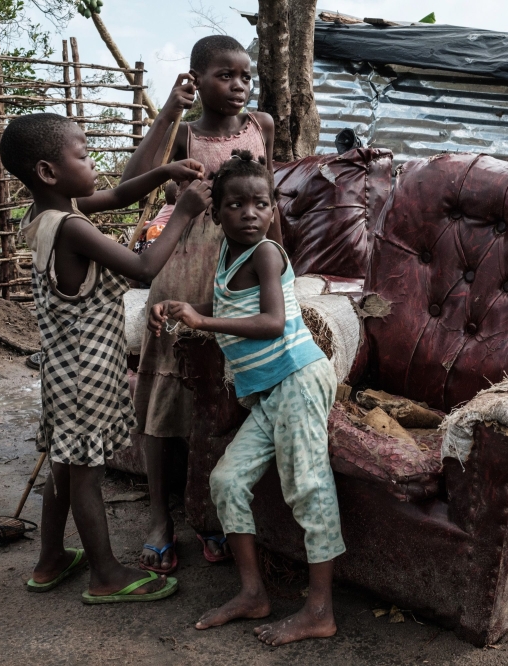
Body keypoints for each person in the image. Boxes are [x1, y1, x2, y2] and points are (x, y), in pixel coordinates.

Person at [0, 112, 212, 602]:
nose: (94, 163)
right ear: (49, 171)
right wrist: (182, 213)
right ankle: (105, 574)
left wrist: (162, 173)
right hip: (86, 372)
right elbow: (143, 265)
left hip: (62, 367)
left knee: (63, 463)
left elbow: (116, 196)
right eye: (84, 154)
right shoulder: (73, 228)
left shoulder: (45, 215)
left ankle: (51, 558)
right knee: (85, 476)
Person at [149, 151, 343, 645]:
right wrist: (186, 306)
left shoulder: (266, 253)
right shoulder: (227, 253)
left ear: (273, 210)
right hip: (268, 392)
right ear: (216, 213)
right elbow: (234, 305)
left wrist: (203, 322)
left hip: (299, 379)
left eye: (261, 203)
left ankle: (320, 611)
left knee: (308, 487)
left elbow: (271, 323)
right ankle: (253, 593)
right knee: (227, 480)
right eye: (236, 204)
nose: (250, 213)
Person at [120, 35, 282, 573]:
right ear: (196, 77)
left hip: (242, 274)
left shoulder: (262, 126)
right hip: (185, 273)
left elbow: (269, 198)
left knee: (224, 396)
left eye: (245, 76)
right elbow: (128, 181)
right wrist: (169, 110)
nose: (237, 86)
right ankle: (160, 518)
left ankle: (207, 514)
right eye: (223, 75)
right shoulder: (184, 133)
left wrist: (283, 267)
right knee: (169, 400)